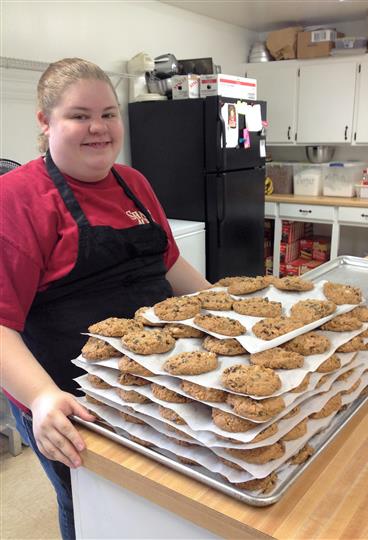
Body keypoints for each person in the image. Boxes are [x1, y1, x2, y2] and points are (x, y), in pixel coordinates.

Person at [0, 57, 211, 539]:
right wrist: (42, 398)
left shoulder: (132, 183)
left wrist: (224, 311)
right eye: (79, 115)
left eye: (109, 114)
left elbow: (169, 265)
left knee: (156, 500)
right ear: (45, 121)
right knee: (92, 502)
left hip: (150, 378)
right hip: (67, 392)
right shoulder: (15, 199)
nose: (98, 128)